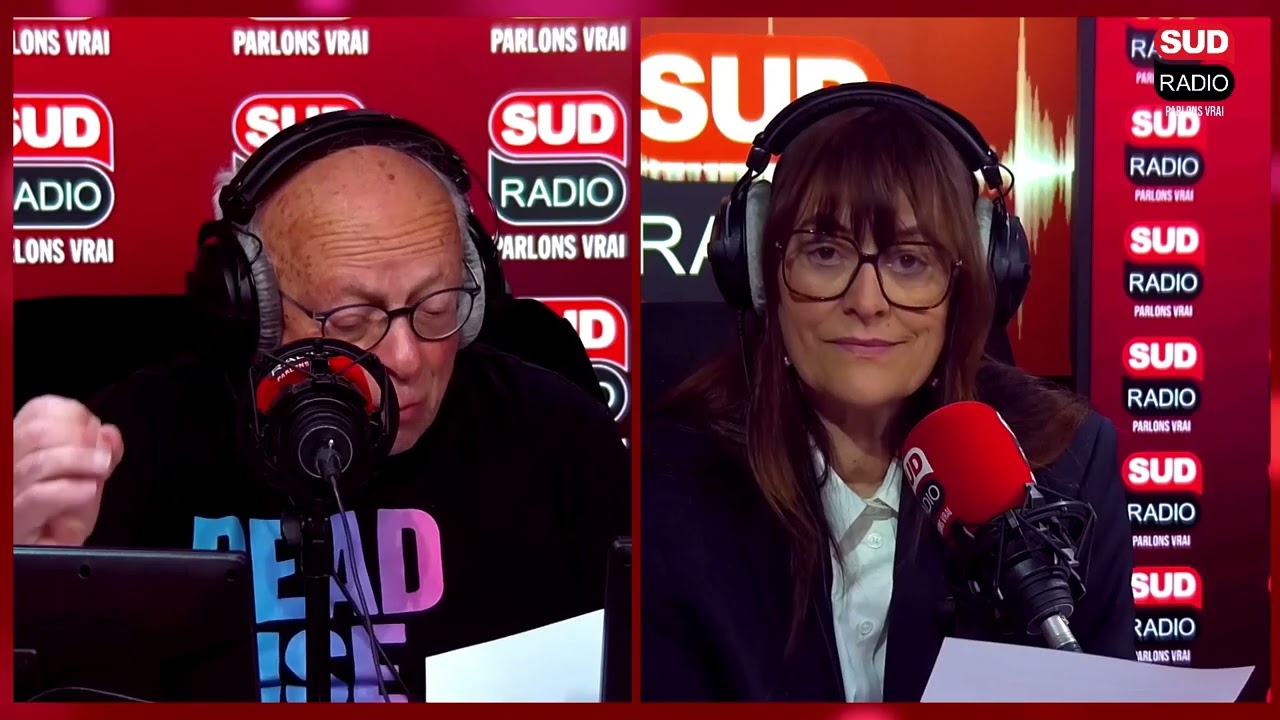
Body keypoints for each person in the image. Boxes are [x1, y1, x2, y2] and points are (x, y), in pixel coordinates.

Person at [12, 114, 630, 703]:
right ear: (252, 312)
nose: (407, 357)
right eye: (353, 321)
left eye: (437, 306)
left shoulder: (555, 437)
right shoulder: (128, 449)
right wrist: (27, 575)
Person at [640, 99, 1135, 702]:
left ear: (971, 280)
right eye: (826, 253)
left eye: (909, 260)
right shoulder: (673, 484)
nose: (868, 302)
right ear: (762, 272)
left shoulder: (1065, 467)